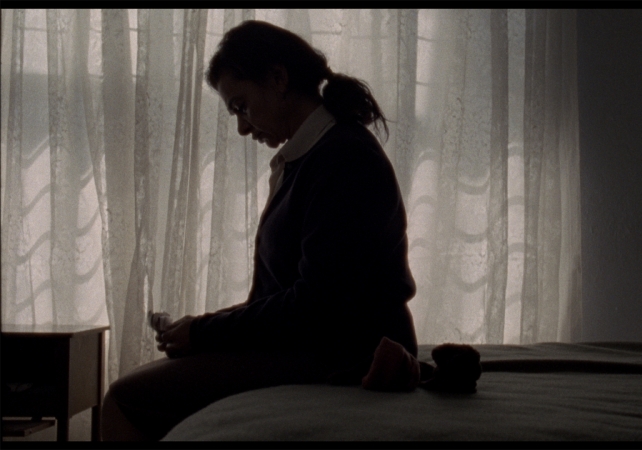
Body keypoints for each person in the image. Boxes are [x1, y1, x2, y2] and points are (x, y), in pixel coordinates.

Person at [101, 20, 418, 441]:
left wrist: (204, 332)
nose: (242, 127)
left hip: (345, 354)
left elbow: (316, 306)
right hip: (320, 345)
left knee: (122, 400)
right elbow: (288, 297)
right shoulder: (313, 157)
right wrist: (204, 327)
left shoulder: (343, 158)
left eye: (241, 106)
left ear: (278, 78)